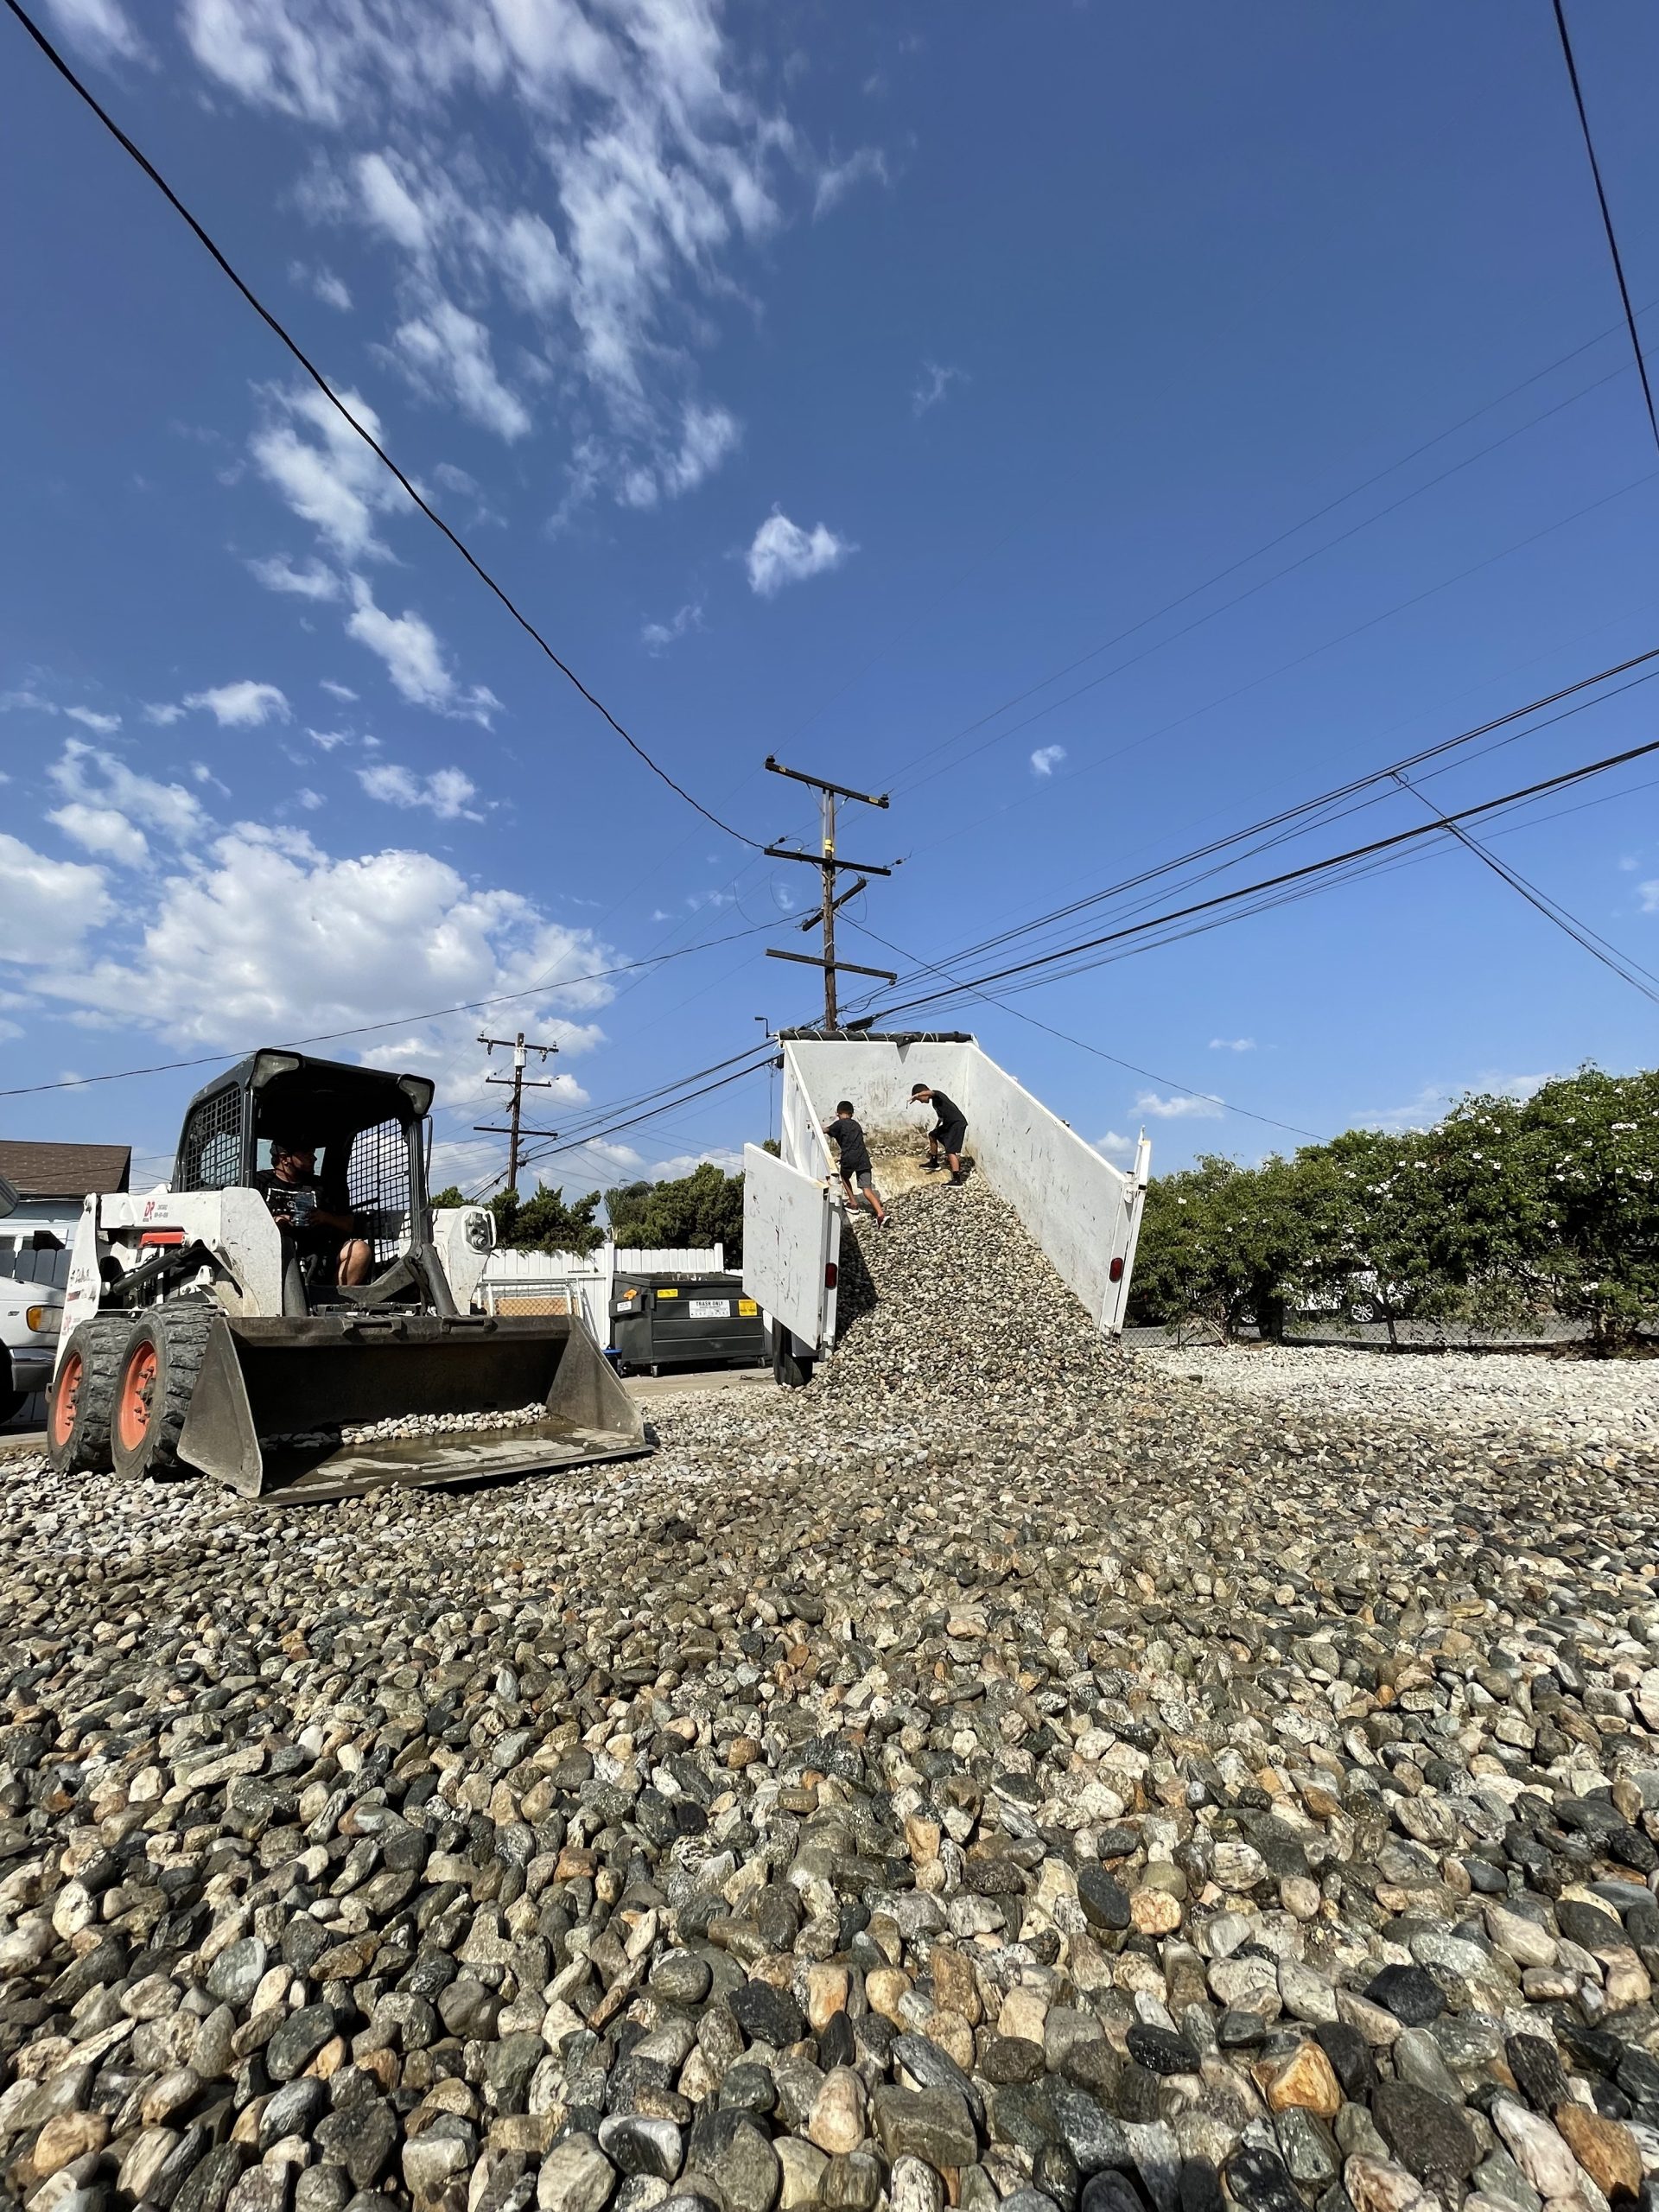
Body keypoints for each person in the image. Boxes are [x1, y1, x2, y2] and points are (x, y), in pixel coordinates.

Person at [253, 1139, 372, 1287]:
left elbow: (348, 1225)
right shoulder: (257, 1182)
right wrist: (273, 1222)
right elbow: (241, 1221)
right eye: (306, 1154)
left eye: (313, 1153)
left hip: (319, 1254)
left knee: (360, 1250)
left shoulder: (323, 1186)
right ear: (285, 1159)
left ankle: (333, 1299)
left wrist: (324, 1217)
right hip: (271, 1254)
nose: (314, 1158)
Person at [824, 1101, 887, 1227]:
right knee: (867, 1190)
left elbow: (826, 1130)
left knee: (844, 1176)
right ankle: (881, 1214)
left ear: (837, 1113)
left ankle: (853, 1203)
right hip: (863, 1159)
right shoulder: (856, 1125)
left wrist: (813, 1127)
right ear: (852, 1114)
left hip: (849, 1158)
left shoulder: (839, 1124)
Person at [911, 1083, 969, 1185]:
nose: (921, 1102)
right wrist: (937, 1127)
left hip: (957, 1124)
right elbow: (942, 1117)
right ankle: (934, 1162)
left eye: (920, 1099)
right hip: (948, 1124)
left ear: (924, 1093)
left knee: (950, 1150)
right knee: (932, 1135)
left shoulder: (938, 1095)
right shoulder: (935, 1103)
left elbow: (932, 1092)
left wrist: (917, 1095)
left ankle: (957, 1179)